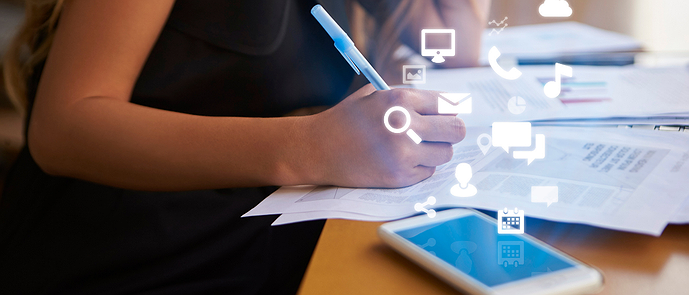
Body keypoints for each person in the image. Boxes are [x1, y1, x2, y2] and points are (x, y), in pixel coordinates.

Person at [0, 0, 489, 294]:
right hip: (134, 258)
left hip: (258, 233)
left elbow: (456, 39)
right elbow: (62, 127)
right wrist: (309, 145)